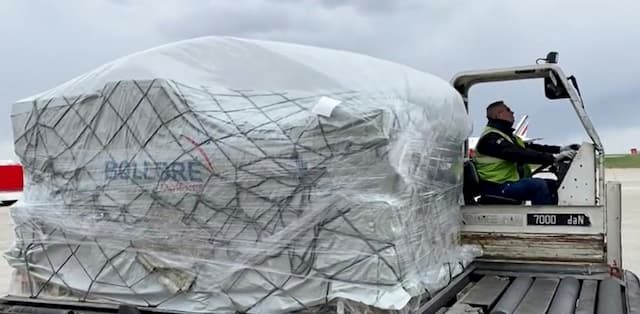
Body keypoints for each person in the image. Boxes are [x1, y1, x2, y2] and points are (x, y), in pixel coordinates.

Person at [473, 100, 580, 205]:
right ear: (499, 115)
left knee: (554, 185)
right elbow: (518, 154)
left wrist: (561, 150)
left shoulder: (507, 136)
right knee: (539, 186)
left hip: (507, 183)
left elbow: (532, 147)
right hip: (496, 187)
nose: (512, 112)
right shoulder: (491, 139)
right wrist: (553, 158)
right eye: (508, 110)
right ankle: (542, 221)